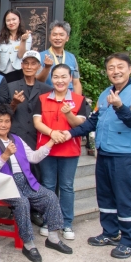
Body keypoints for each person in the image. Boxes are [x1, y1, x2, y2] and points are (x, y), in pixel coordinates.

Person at [63, 53, 131, 259]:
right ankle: (110, 233)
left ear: (130, 69)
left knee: (126, 197)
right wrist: (70, 133)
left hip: (124, 156)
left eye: (120, 67)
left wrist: (120, 106)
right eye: (111, 68)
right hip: (103, 153)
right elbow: (92, 122)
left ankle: (130, 241)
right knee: (105, 195)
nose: (115, 71)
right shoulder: (105, 94)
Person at [0, 103, 73, 262]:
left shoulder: (17, 139)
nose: (3, 124)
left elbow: (34, 157)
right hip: (4, 185)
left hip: (26, 182)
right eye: (0, 121)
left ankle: (53, 238)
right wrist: (6, 155)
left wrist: (50, 142)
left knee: (50, 196)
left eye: (7, 121)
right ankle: (28, 244)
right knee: (22, 203)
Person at [33, 64, 87, 240]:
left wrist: (69, 114)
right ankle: (49, 222)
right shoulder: (41, 99)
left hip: (70, 150)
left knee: (67, 187)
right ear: (52, 79)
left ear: (70, 78)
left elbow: (79, 124)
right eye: (56, 77)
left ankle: (66, 223)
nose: (60, 80)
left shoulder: (79, 100)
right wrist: (52, 133)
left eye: (64, 77)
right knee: (48, 186)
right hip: (47, 149)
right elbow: (37, 122)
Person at [8, 50, 52, 227]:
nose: (29, 66)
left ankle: (36, 211)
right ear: (21, 65)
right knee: (16, 174)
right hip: (17, 135)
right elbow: (4, 114)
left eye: (33, 63)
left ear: (39, 66)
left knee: (36, 173)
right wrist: (14, 104)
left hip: (37, 137)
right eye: (26, 63)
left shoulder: (47, 90)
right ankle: (16, 209)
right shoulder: (11, 85)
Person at [36, 20, 82, 95]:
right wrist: (46, 68)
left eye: (61, 35)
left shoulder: (71, 57)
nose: (57, 38)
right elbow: (37, 82)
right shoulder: (40, 56)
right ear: (49, 37)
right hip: (48, 98)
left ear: (67, 38)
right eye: (54, 34)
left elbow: (76, 83)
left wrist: (78, 103)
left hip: (68, 101)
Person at [0, 9, 32, 83]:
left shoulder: (27, 36)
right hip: (2, 73)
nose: (11, 22)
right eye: (8, 20)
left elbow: (21, 55)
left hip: (18, 73)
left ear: (19, 20)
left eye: (14, 19)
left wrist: (23, 41)